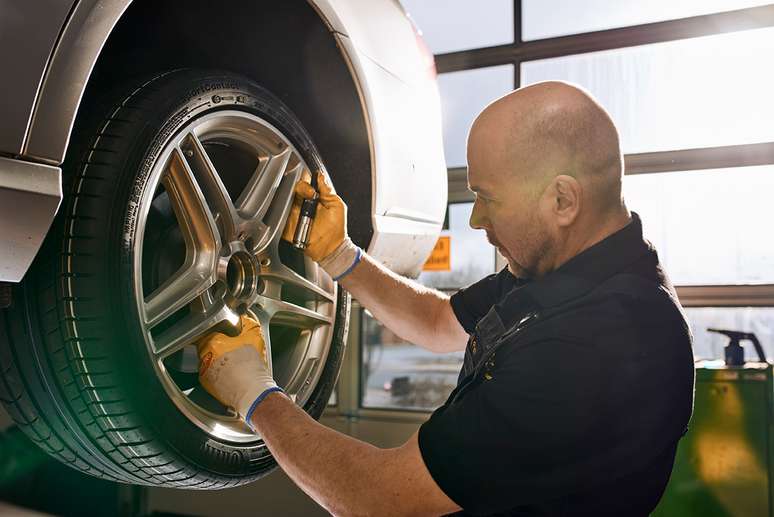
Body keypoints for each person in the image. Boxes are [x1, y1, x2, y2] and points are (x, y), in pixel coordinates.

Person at [196, 81, 695, 516]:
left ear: (562, 200)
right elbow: (437, 322)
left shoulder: (604, 343)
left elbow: (379, 499)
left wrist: (255, 394)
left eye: (487, 197)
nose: (476, 220)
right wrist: (340, 255)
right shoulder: (559, 269)